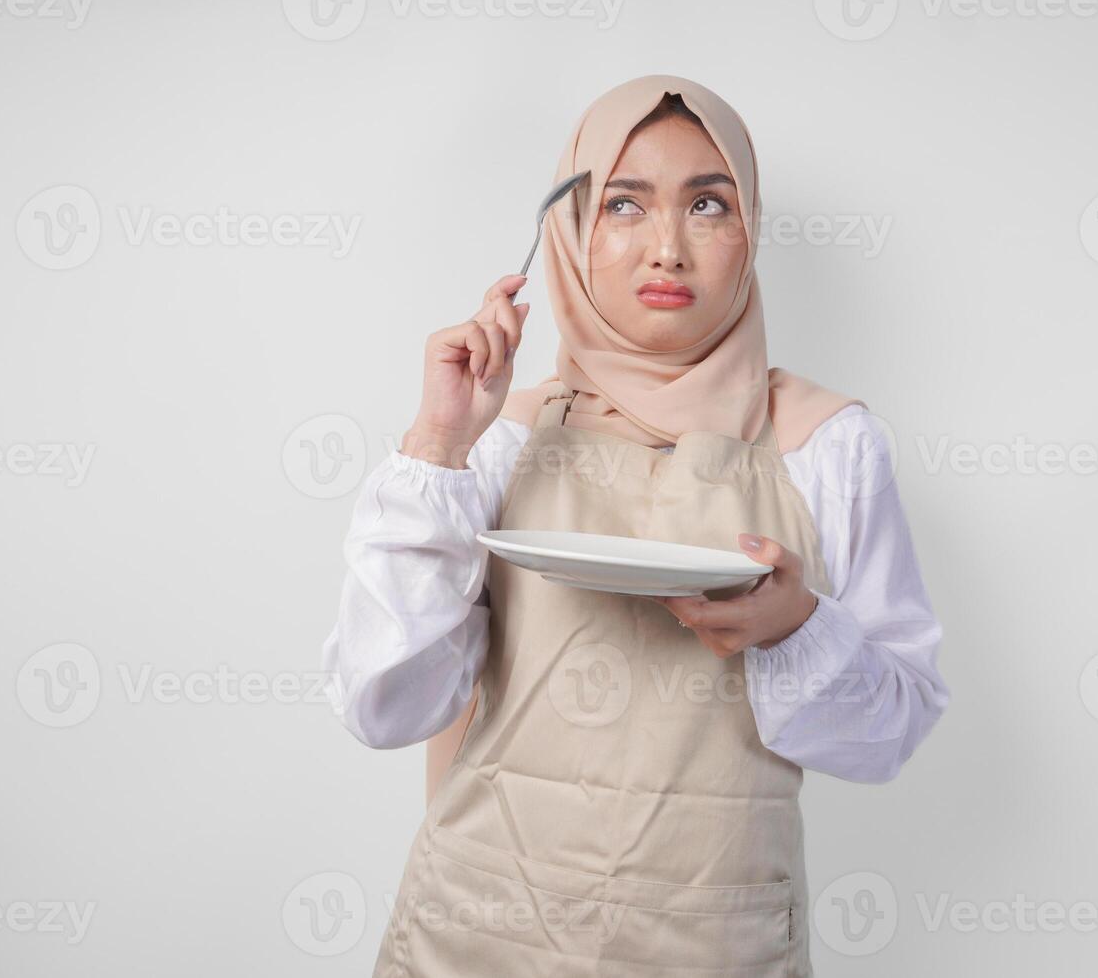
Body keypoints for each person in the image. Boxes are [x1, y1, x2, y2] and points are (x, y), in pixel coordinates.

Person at [321, 74, 950, 977]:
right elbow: (384, 705)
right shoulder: (494, 440)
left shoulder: (831, 445)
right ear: (570, 235)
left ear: (751, 229)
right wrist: (437, 442)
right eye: (624, 204)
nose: (668, 249)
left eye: (707, 203)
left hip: (716, 945)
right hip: (477, 936)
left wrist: (798, 628)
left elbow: (891, 734)